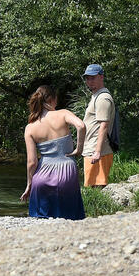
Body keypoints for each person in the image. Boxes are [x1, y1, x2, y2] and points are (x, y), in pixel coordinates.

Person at [20, 85, 86, 220]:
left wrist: (29, 185)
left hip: (42, 177)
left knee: (40, 221)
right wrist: (79, 149)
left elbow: (32, 162)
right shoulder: (63, 113)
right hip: (67, 172)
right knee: (70, 219)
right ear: (52, 99)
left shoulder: (30, 127)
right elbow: (81, 126)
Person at [82, 64, 115, 187]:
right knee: (92, 187)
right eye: (87, 78)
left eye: (93, 78)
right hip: (92, 149)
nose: (89, 81)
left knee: (97, 187)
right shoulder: (96, 96)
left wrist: (97, 152)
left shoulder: (102, 98)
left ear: (101, 77)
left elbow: (104, 125)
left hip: (97, 152)